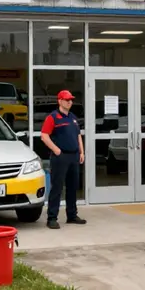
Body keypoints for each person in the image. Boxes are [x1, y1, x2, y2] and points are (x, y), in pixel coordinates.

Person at [40, 90, 86, 229]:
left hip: (74, 156)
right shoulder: (53, 117)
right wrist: (56, 150)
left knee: (73, 187)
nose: (70, 102)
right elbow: (44, 136)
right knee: (57, 187)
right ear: (59, 101)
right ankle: (52, 218)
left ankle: (72, 215)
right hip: (60, 157)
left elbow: (78, 136)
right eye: (67, 100)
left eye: (71, 100)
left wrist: (81, 152)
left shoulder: (73, 117)